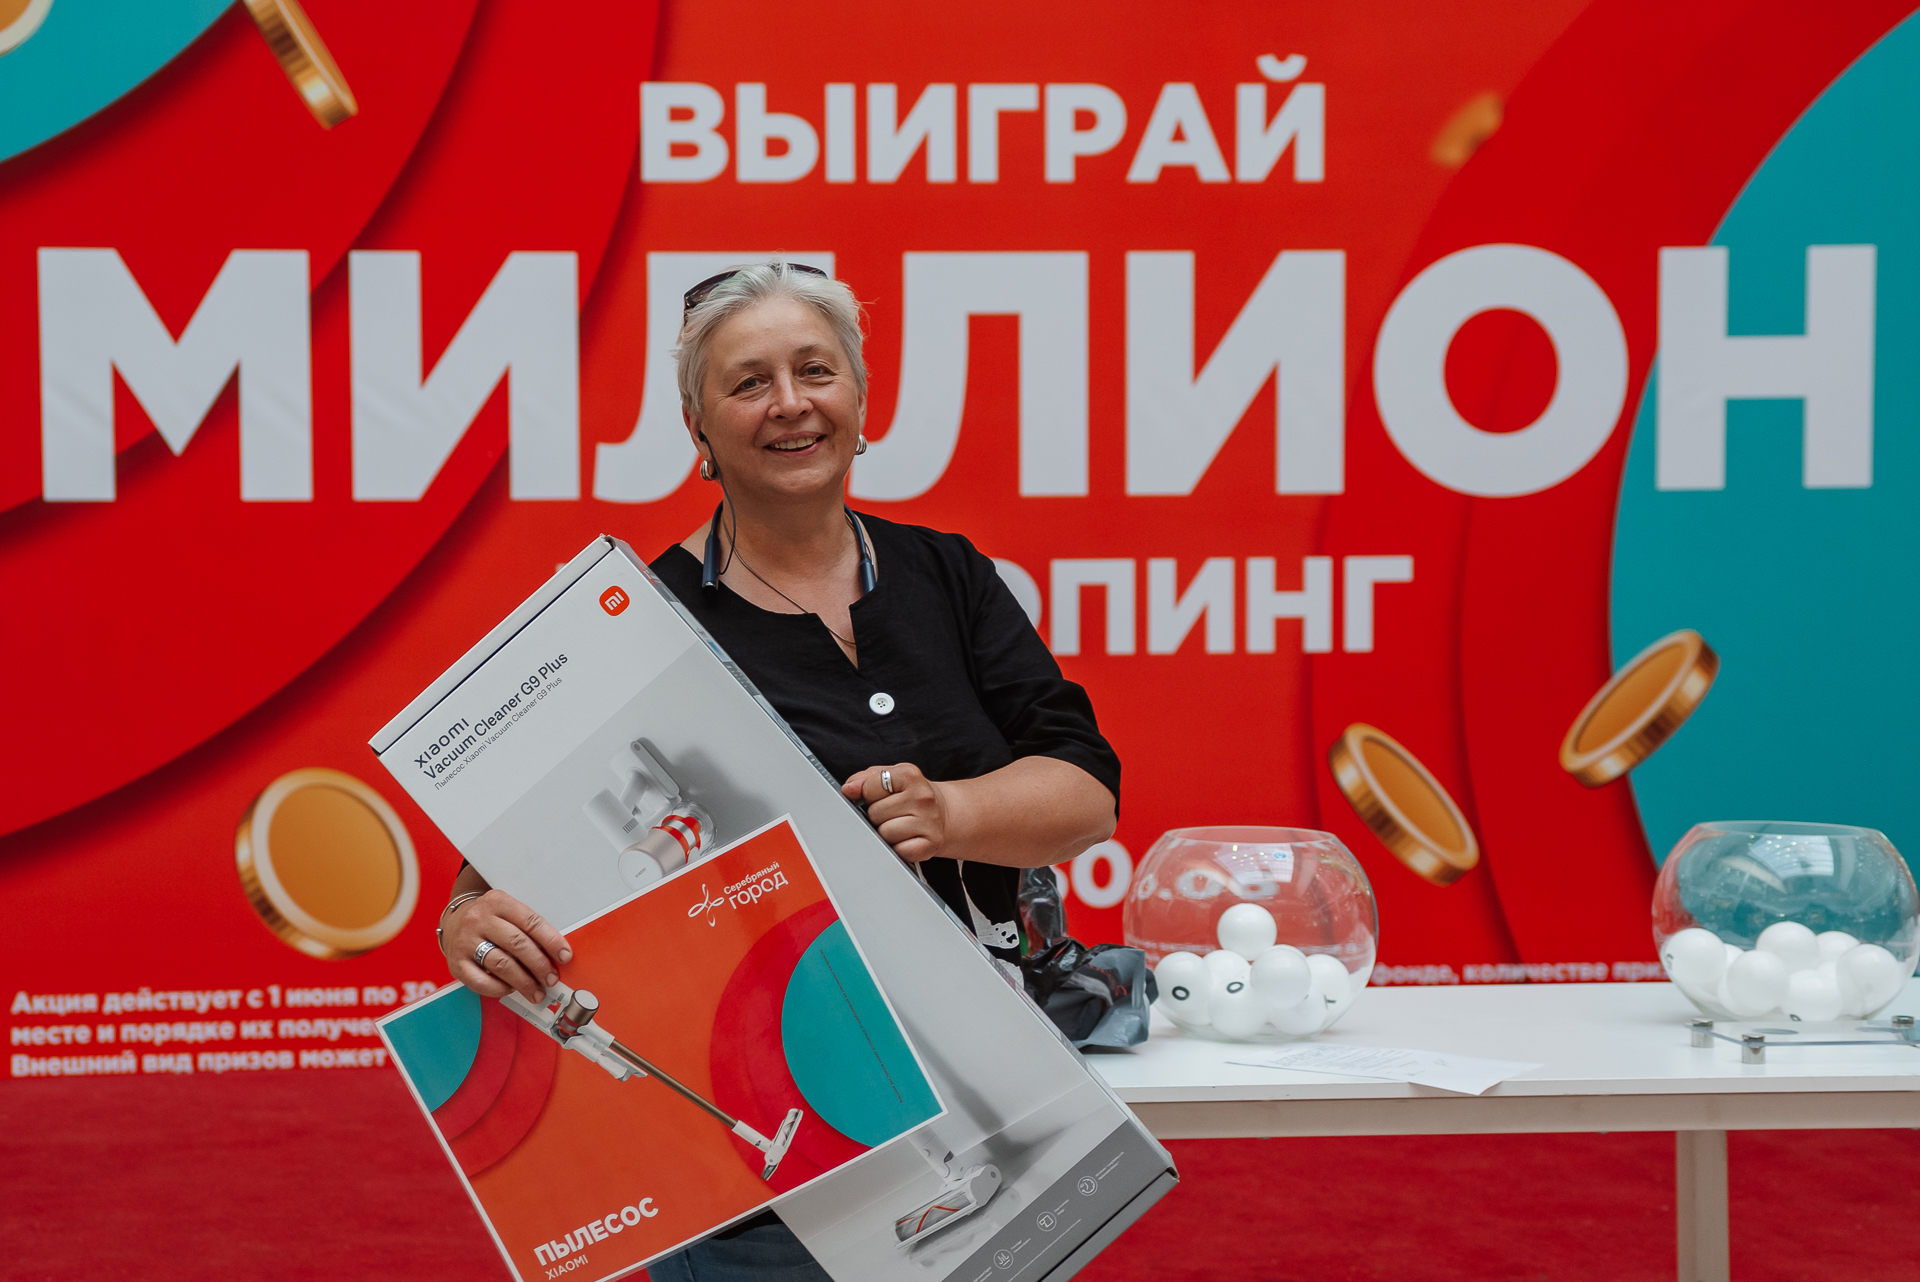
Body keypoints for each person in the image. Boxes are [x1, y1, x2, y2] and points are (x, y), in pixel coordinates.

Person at [435, 261, 1121, 1280]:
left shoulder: (949, 574)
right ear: (698, 429)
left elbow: (1087, 794)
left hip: (1001, 1105)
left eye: (816, 370)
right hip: (768, 1138)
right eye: (749, 382)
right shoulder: (642, 623)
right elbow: (503, 872)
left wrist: (951, 810)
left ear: (859, 398)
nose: (791, 403)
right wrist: (467, 921)